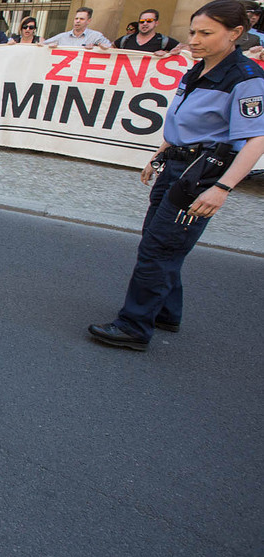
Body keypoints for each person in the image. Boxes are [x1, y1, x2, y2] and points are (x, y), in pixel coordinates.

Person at [88, 0, 264, 351]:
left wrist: (222, 188)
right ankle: (167, 312)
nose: (195, 39)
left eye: (206, 33)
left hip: (203, 173)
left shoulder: (245, 78)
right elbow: (185, 121)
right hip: (177, 165)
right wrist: (160, 153)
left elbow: (257, 138)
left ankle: (133, 326)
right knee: (161, 241)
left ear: (236, 34)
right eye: (193, 31)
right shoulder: (198, 69)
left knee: (159, 248)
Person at [113, 9, 181, 54]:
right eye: (142, 21)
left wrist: (169, 54)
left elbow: (186, 48)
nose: (145, 23)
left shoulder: (163, 41)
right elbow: (110, 48)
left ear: (156, 23)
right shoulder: (125, 39)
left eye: (149, 21)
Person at [43, 7, 112, 48]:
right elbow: (41, 45)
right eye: (76, 19)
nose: (78, 21)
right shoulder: (62, 36)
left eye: (82, 19)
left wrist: (97, 48)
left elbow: (110, 48)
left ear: (88, 21)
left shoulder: (95, 36)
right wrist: (49, 47)